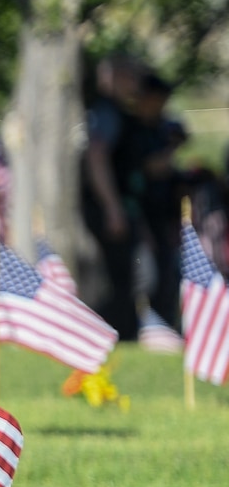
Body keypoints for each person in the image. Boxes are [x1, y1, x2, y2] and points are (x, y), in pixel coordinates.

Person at [120, 74, 188, 330]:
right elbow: (147, 169)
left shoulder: (161, 128)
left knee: (167, 277)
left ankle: (164, 328)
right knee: (146, 276)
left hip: (163, 217)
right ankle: (145, 327)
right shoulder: (130, 131)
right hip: (138, 215)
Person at [81, 52, 143, 339]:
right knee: (115, 276)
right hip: (107, 209)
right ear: (112, 78)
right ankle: (115, 334)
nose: (136, 84)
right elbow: (97, 157)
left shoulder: (115, 111)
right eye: (130, 77)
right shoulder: (106, 112)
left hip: (113, 207)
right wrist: (113, 208)